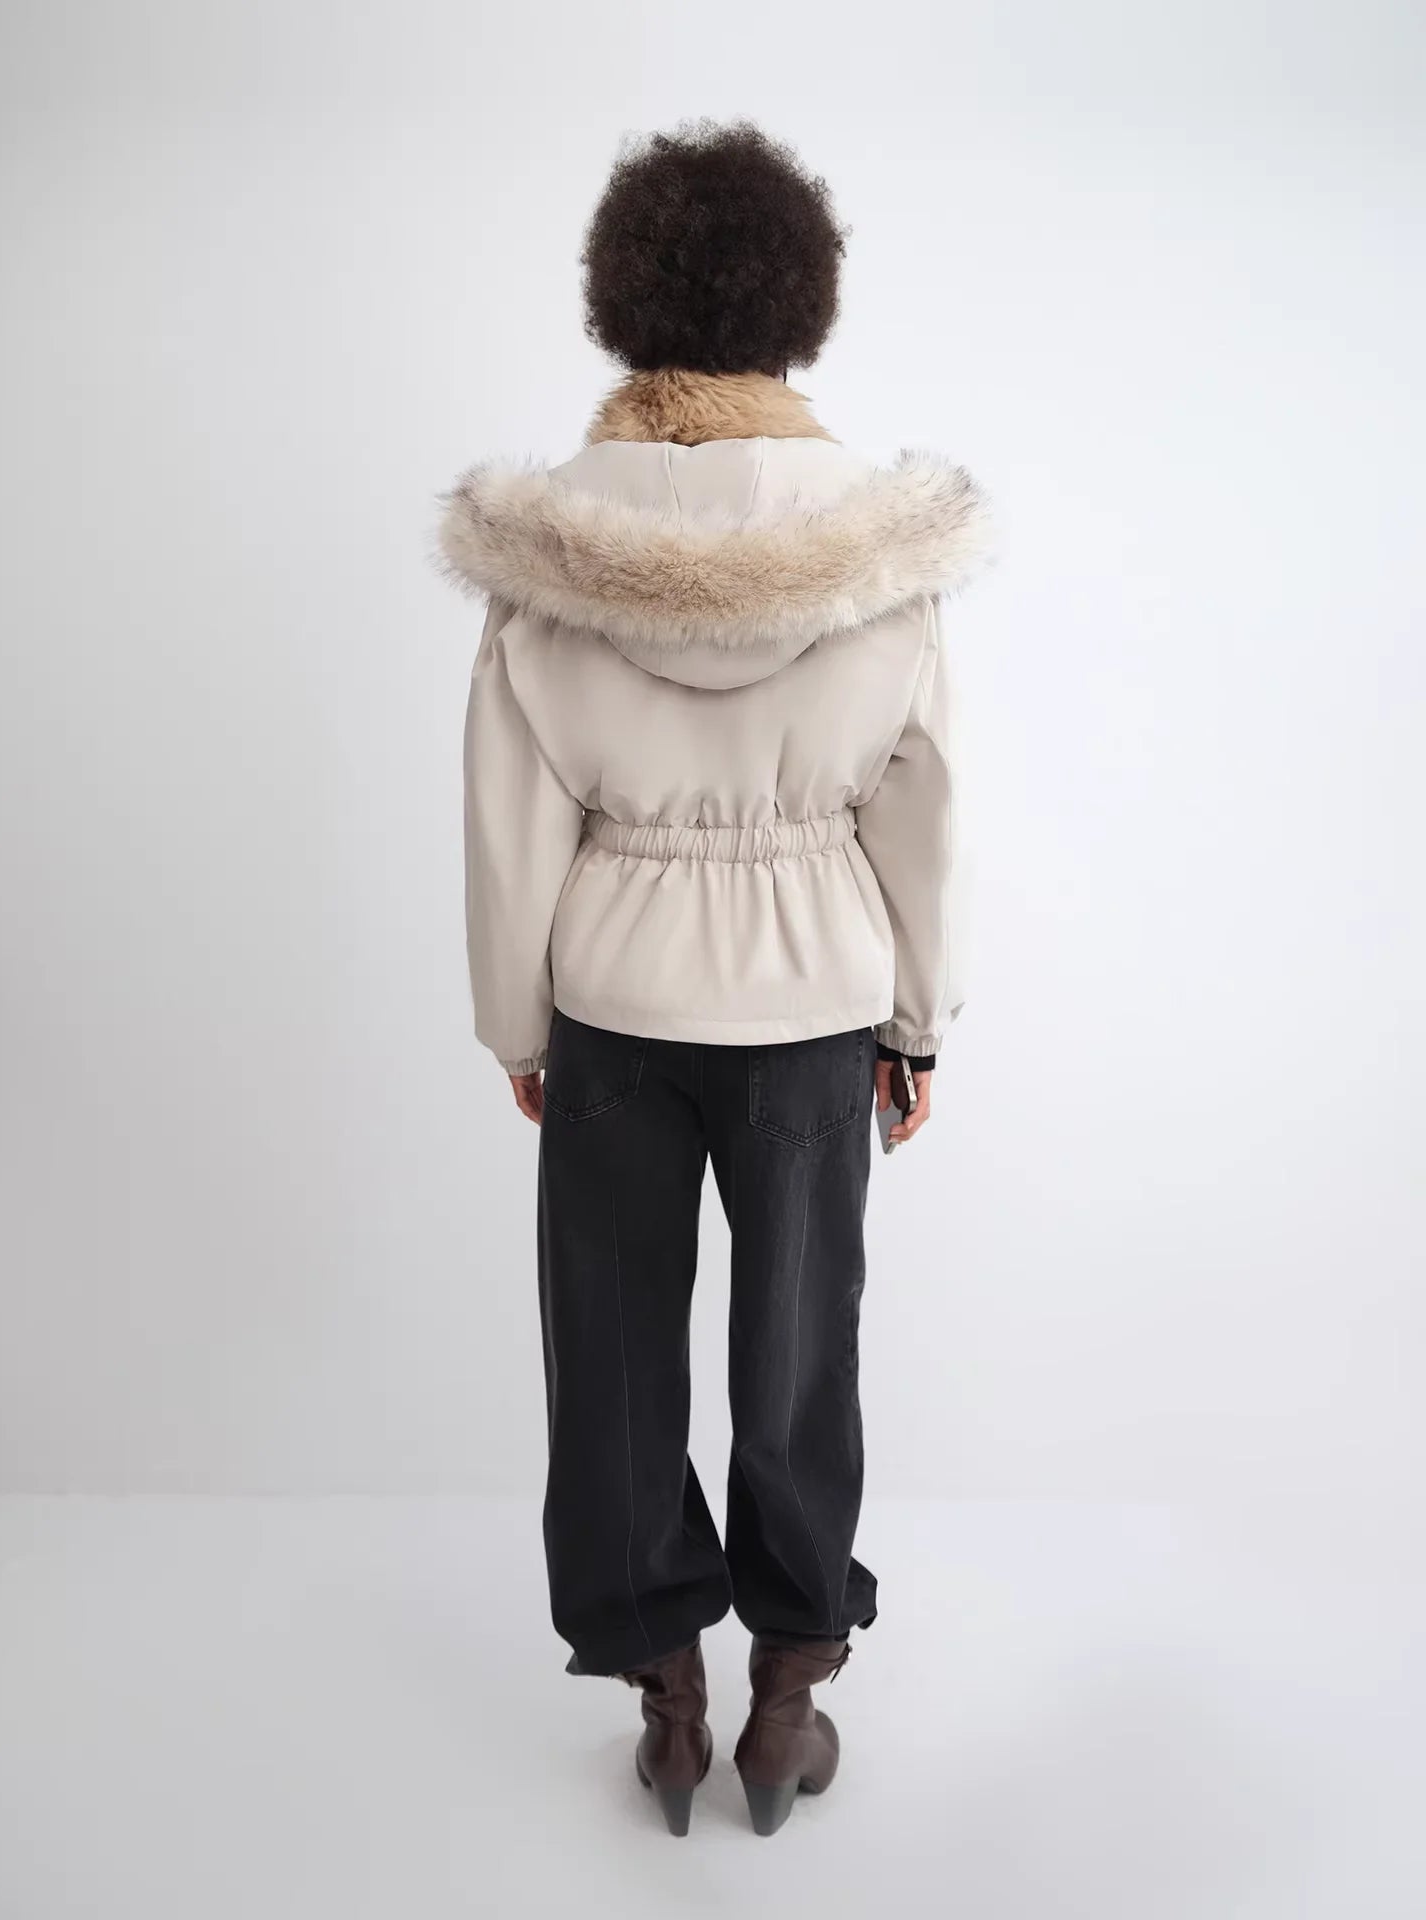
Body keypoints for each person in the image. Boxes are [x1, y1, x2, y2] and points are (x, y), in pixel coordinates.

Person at [438, 121, 985, 1837]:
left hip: (612, 1012)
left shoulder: (548, 546)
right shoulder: (880, 540)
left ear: (624, 300)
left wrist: (516, 1025)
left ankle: (665, 1701)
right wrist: (915, 1024)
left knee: (608, 1353)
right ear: (797, 305)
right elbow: (922, 805)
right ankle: (789, 1695)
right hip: (815, 1010)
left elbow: (509, 815)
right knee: (800, 1353)